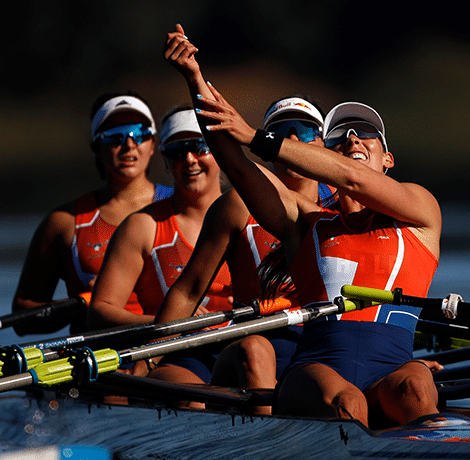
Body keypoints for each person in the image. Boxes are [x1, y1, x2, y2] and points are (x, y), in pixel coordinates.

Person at [166, 24, 443, 428]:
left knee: (416, 389)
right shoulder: (303, 223)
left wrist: (256, 136)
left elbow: (355, 179)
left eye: (366, 135)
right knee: (349, 404)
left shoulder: (421, 212)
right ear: (327, 158)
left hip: (393, 367)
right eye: (341, 138)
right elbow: (239, 169)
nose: (353, 139)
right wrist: (194, 78)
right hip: (316, 371)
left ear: (388, 161)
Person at [87, 105, 229, 385]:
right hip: (171, 352)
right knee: (194, 395)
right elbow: (99, 313)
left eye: (200, 147)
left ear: (221, 153)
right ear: (164, 160)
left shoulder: (250, 215)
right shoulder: (142, 226)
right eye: (177, 151)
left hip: (239, 343)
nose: (189, 160)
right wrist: (167, 320)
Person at [12, 92, 172, 336]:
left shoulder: (182, 206)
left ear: (153, 145)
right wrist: (82, 305)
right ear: (96, 148)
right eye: (114, 137)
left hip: (171, 345)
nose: (129, 144)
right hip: (100, 356)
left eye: (139, 133)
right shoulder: (63, 222)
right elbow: (22, 317)